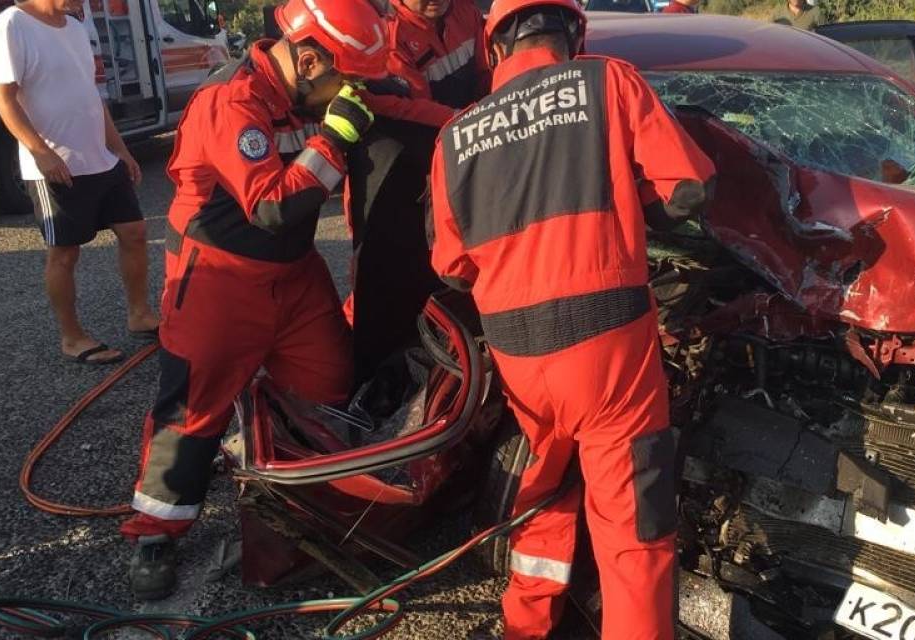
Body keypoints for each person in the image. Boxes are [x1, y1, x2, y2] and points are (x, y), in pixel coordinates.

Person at [429, 0, 716, 637]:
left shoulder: (457, 133)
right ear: (571, 34)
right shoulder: (609, 80)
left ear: (495, 46)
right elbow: (689, 188)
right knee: (632, 528)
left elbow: (451, 266)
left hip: (519, 358)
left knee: (542, 491)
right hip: (608, 349)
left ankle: (525, 625)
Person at [119, 0, 388, 600]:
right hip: (219, 278)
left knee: (329, 386)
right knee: (192, 409)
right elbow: (272, 206)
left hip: (294, 276)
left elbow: (384, 111)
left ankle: (309, 498)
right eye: (350, 82)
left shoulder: (306, 91)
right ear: (311, 59)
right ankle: (156, 529)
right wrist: (339, 135)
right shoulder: (231, 101)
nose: (355, 96)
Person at [0, 0, 159, 366]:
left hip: (100, 157)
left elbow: (91, 97)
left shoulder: (76, 27)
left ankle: (140, 314)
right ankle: (72, 337)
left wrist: (121, 150)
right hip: (56, 165)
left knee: (135, 231)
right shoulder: (11, 25)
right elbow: (3, 99)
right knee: (65, 253)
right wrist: (41, 153)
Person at [343, 0, 490, 381]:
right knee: (386, 288)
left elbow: (486, 71)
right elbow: (409, 105)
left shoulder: (466, 14)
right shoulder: (386, 33)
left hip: (461, 151)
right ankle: (378, 384)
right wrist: (468, 122)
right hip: (395, 169)